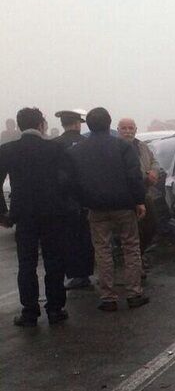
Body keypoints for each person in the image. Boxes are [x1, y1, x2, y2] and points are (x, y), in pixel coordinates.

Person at [68, 108, 149, 311]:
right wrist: (139, 201)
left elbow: (72, 182)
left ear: (88, 125)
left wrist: (84, 201)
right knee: (131, 248)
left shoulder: (77, 150)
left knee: (102, 250)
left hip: (96, 207)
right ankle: (134, 293)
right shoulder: (123, 146)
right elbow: (134, 176)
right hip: (124, 205)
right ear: (110, 123)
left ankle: (108, 297)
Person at [0, 108, 71, 326]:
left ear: (19, 125)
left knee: (27, 264)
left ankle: (29, 312)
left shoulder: (8, 150)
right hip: (53, 213)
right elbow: (67, 180)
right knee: (54, 261)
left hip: (23, 214)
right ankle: (55, 309)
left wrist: (3, 213)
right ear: (41, 124)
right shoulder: (55, 148)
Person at [54, 109, 95, 290]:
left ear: (62, 124)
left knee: (69, 238)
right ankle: (86, 272)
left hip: (64, 200)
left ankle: (76, 274)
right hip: (88, 198)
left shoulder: (54, 145)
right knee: (87, 237)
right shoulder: (87, 143)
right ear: (78, 124)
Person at [117, 118, 160, 266]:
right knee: (130, 232)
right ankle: (133, 263)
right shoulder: (115, 148)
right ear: (118, 130)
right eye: (124, 128)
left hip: (145, 193)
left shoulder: (142, 146)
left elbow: (154, 162)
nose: (128, 132)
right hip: (126, 196)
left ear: (136, 130)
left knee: (151, 226)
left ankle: (138, 257)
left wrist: (153, 172)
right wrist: (144, 176)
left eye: (131, 128)